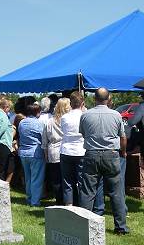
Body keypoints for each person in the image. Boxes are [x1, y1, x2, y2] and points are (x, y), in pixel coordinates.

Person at [79, 88, 129, 235]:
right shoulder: (116, 115)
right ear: (109, 99)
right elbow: (123, 137)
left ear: (94, 99)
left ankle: (83, 226)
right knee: (116, 192)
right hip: (111, 155)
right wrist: (123, 152)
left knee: (88, 192)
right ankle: (120, 227)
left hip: (91, 154)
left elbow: (83, 133)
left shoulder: (85, 115)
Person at [60, 92, 86, 206]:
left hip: (66, 150)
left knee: (67, 181)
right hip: (81, 150)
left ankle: (69, 205)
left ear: (70, 103)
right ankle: (83, 205)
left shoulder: (64, 117)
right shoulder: (85, 116)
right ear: (83, 103)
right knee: (81, 181)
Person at [42, 97, 70, 205]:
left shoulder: (49, 122)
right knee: (67, 178)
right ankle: (68, 200)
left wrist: (46, 155)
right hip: (66, 150)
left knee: (56, 179)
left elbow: (45, 140)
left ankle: (59, 200)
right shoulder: (68, 120)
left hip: (53, 151)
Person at [18, 102, 45, 206]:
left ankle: (29, 198)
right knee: (36, 178)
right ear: (36, 112)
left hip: (23, 152)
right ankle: (35, 202)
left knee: (28, 177)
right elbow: (43, 137)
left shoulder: (22, 122)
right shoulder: (39, 123)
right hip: (35, 153)